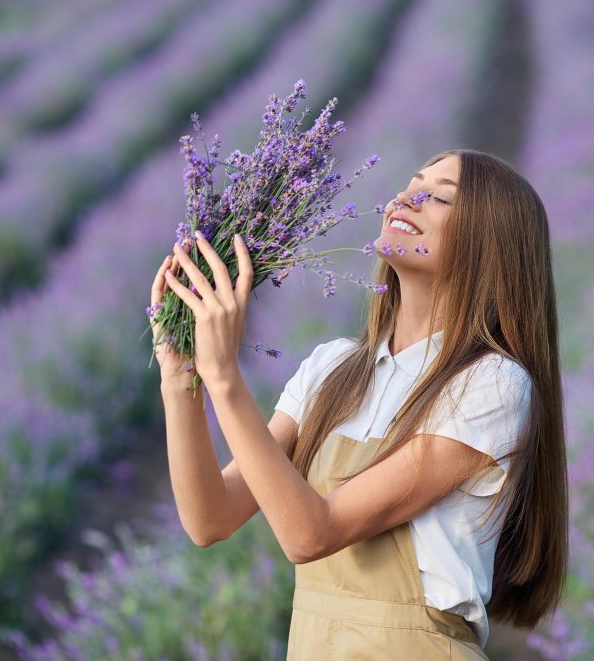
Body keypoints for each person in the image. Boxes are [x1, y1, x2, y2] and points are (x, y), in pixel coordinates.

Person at [152, 149, 568, 659]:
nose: (405, 199)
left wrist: (224, 374)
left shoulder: (491, 384)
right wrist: (183, 380)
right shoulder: (333, 368)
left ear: (491, 246)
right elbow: (210, 518)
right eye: (410, 183)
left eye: (438, 197)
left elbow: (311, 534)